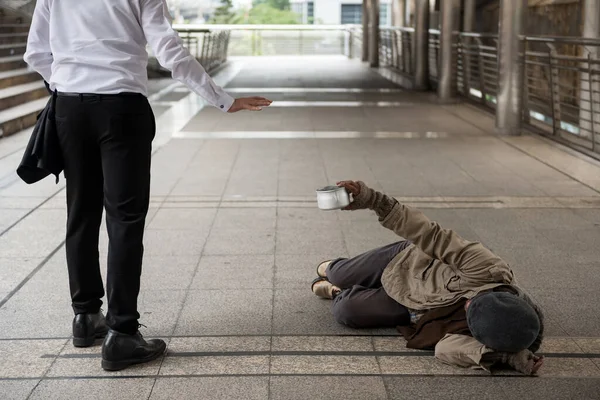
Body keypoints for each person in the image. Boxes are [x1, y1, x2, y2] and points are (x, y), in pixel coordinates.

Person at [23, 0, 271, 371]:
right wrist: (222, 99)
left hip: (69, 110)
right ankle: (122, 333)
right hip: (121, 109)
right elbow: (168, 48)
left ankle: (86, 316)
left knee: (81, 213)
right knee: (124, 220)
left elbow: (36, 53)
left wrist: (68, 84)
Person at [311, 180, 545, 376]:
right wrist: (373, 200)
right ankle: (334, 271)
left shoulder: (499, 333)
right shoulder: (487, 268)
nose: (466, 304)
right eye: (474, 301)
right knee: (339, 273)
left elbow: (445, 347)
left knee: (347, 311)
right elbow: (430, 235)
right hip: (409, 261)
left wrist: (503, 356)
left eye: (469, 313)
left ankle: (338, 292)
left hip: (414, 307)